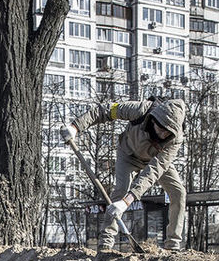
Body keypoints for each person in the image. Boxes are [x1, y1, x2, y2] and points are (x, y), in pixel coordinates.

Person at [61, 97, 186, 252]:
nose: (162, 134)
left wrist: (127, 202)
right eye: (160, 128)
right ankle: (106, 243)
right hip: (129, 154)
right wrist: (76, 126)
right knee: (121, 190)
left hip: (155, 161)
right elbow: (104, 110)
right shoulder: (140, 110)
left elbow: (153, 171)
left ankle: (173, 245)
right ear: (153, 119)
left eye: (167, 132)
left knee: (179, 193)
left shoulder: (175, 139)